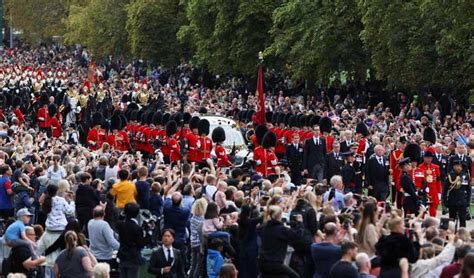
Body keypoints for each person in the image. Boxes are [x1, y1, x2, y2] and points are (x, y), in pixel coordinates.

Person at [257, 205, 303, 278]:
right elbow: (297, 236)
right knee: (295, 276)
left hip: (263, 262)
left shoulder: (263, 227)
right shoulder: (281, 229)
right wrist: (300, 223)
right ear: (279, 216)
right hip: (276, 263)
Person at [117, 202, 148, 278]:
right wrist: (149, 233)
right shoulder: (136, 228)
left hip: (122, 256)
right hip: (133, 258)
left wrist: (122, 214)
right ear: (137, 214)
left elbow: (119, 219)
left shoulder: (120, 225)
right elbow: (141, 245)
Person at [443, 159, 470, 227]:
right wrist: (445, 201)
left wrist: (467, 201)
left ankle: (462, 234)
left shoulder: (465, 176)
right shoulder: (450, 176)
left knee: (462, 220)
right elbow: (445, 190)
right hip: (452, 201)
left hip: (462, 201)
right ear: (454, 167)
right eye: (457, 166)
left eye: (460, 166)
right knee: (451, 220)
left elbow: (468, 190)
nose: (459, 168)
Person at [189, 198, 207, 278]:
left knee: (193, 264)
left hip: (193, 242)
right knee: (198, 265)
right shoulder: (203, 220)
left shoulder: (193, 218)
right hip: (199, 243)